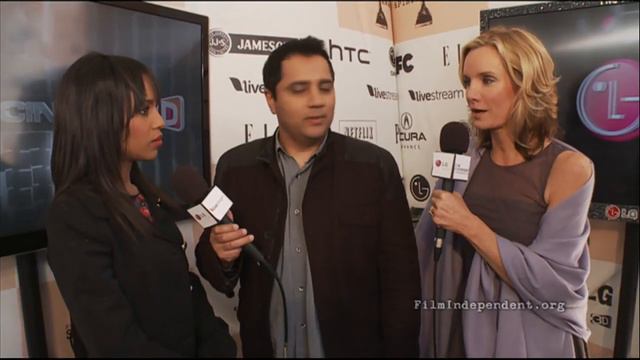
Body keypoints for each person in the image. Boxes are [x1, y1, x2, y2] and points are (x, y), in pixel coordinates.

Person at [195, 36, 420, 357]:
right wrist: (219, 254)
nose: (317, 100)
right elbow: (215, 268)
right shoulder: (235, 167)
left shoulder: (374, 167)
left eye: (325, 87)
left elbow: (402, 282)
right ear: (270, 99)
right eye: (299, 90)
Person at [415, 26, 594, 357]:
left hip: (528, 336)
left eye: (487, 79)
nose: (471, 93)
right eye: (467, 81)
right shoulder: (464, 155)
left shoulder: (569, 168)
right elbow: (426, 248)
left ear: (525, 84)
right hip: (455, 326)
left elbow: (553, 283)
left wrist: (468, 224)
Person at [46, 52, 236, 357]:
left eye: (156, 107)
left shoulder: (150, 198)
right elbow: (114, 343)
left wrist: (220, 347)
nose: (160, 121)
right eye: (143, 110)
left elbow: (186, 292)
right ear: (99, 116)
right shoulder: (74, 214)